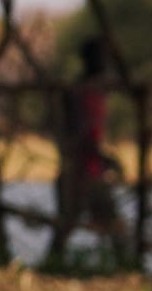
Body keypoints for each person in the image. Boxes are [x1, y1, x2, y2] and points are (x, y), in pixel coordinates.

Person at [53, 30, 126, 258]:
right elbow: (85, 134)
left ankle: (54, 264)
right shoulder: (86, 93)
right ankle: (126, 269)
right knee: (115, 231)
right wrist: (106, 160)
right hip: (86, 172)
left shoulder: (81, 90)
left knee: (67, 226)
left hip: (79, 169)